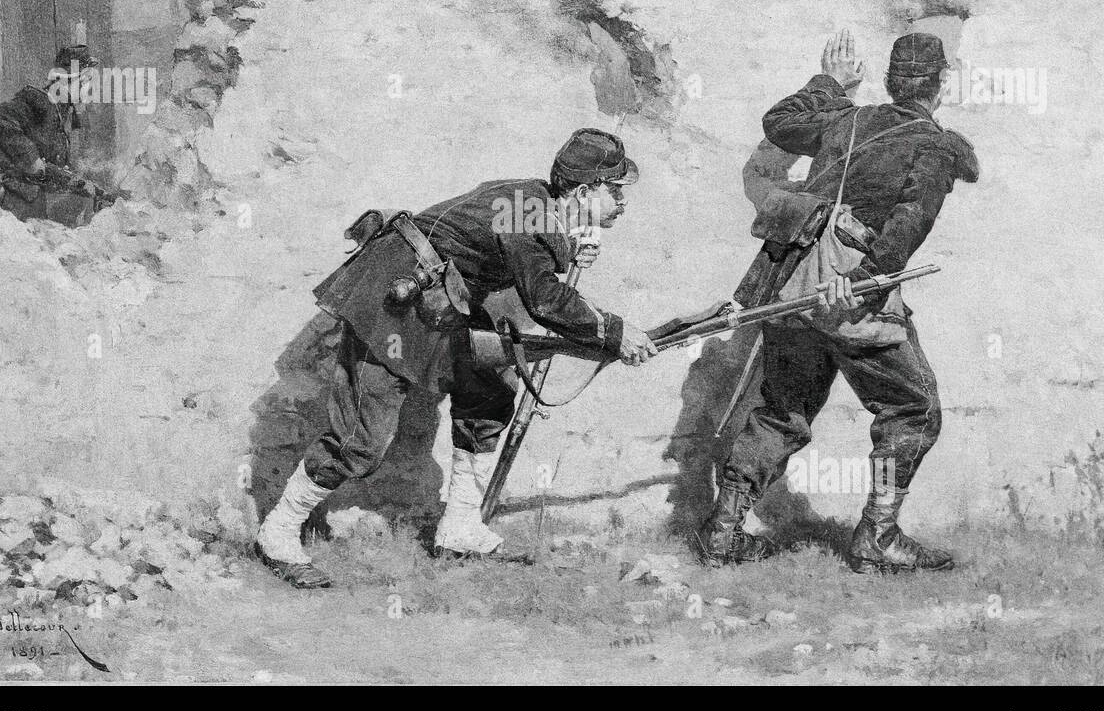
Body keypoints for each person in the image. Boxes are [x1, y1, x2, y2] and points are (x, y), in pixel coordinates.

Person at [256, 128, 658, 588]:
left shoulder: (535, 205)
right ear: (585, 191)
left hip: (442, 300)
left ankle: (461, 525)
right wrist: (615, 331)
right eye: (617, 191)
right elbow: (543, 300)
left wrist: (570, 248)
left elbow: (525, 273)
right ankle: (279, 529)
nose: (623, 203)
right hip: (392, 300)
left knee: (486, 392)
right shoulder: (527, 210)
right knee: (360, 440)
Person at [701, 30, 979, 573]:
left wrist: (830, 81)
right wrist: (868, 278)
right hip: (852, 295)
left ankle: (722, 531)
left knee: (783, 411)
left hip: (790, 289)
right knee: (913, 407)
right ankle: (877, 535)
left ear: (891, 80)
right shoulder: (933, 144)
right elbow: (907, 225)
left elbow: (778, 122)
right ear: (941, 84)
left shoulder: (845, 119)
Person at [0, 46, 101, 224]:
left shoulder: (64, 110)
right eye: (85, 82)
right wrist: (30, 158)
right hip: (15, 195)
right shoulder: (39, 99)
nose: (89, 89)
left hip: (34, 198)